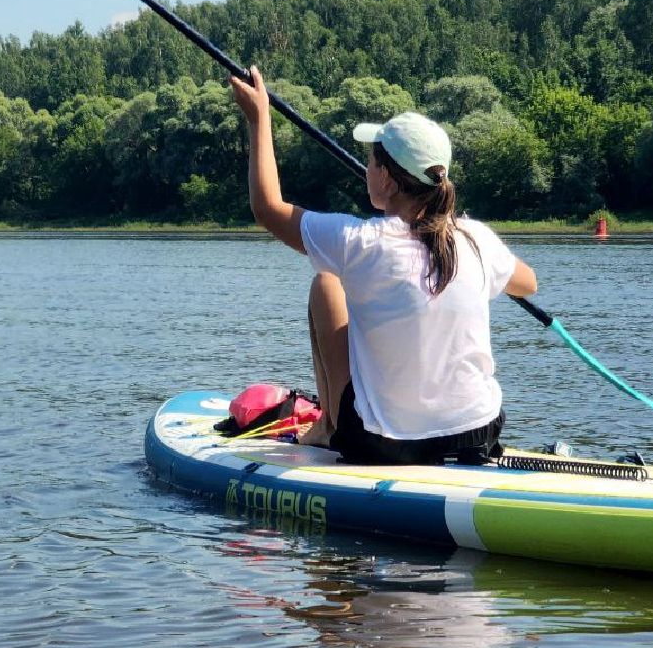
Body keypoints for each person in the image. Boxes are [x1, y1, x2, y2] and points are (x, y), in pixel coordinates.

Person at [228, 66, 538, 465]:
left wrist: (259, 118)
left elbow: (267, 208)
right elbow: (528, 284)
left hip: (386, 445)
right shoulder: (477, 239)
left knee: (327, 282)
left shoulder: (359, 241)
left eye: (372, 162)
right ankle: (340, 425)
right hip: (478, 434)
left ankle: (328, 427)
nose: (367, 169)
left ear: (388, 181)